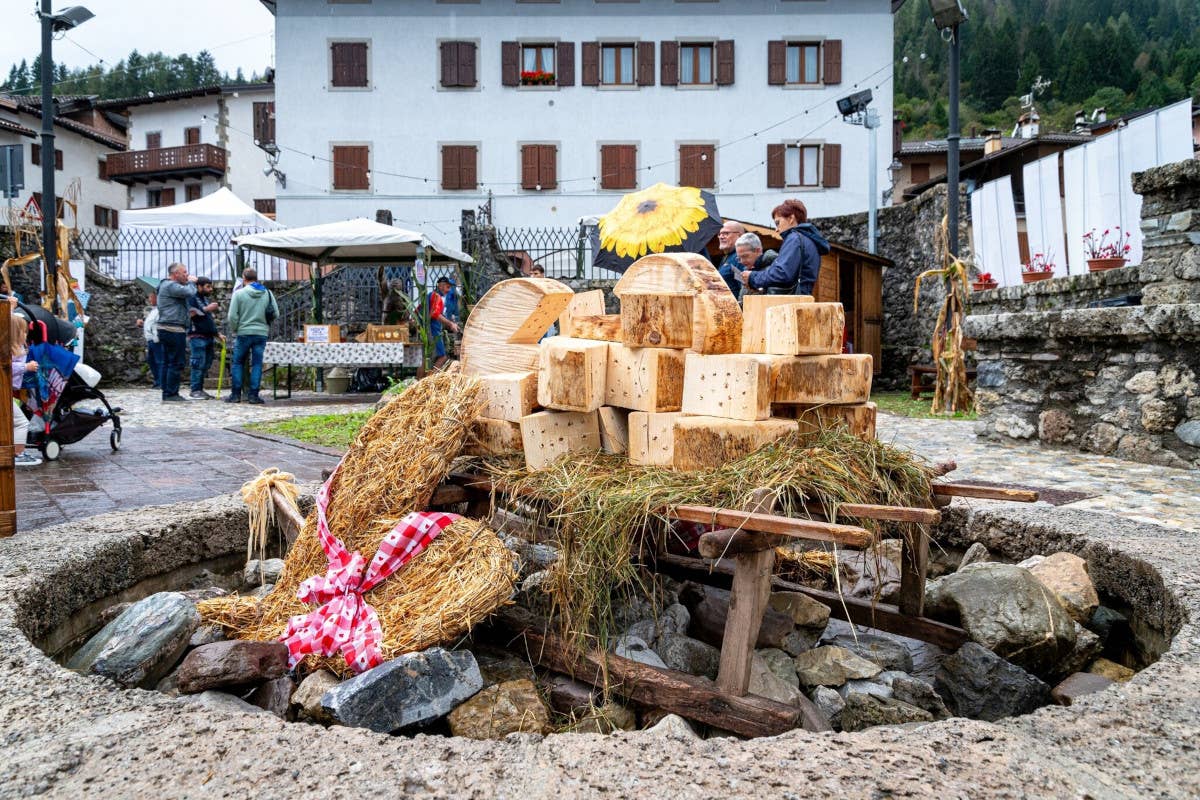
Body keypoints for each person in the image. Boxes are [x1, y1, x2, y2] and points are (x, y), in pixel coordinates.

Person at [738, 200, 830, 296]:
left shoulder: (794, 238)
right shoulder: (809, 240)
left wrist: (752, 277)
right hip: (802, 298)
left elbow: (782, 274)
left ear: (791, 218)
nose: (776, 229)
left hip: (789, 303)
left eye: (778, 223)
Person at [226, 268, 279, 405]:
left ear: (244, 278)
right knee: (257, 364)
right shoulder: (267, 293)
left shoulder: (239, 294)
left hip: (243, 333)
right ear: (256, 277)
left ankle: (236, 394)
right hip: (261, 333)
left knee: (238, 363)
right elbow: (276, 313)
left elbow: (232, 316)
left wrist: (236, 328)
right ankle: (253, 395)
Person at [156, 263, 199, 402]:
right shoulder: (171, 285)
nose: (187, 274)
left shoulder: (167, 286)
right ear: (175, 274)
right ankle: (171, 393)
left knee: (168, 362)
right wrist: (192, 283)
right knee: (176, 362)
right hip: (173, 329)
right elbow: (190, 292)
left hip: (167, 328)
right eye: (184, 272)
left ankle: (166, 391)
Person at [10, 312, 40, 466]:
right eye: (24, 332)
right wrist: (26, 367)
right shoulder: (7, 350)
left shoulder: (14, 348)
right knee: (21, 422)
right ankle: (17, 453)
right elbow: (7, 367)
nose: (26, 335)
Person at [187, 277, 221, 399]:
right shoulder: (191, 298)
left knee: (206, 364)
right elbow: (190, 313)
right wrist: (207, 309)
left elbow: (208, 320)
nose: (210, 289)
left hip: (208, 336)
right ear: (199, 286)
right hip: (197, 336)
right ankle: (195, 389)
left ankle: (200, 389)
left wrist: (217, 334)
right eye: (207, 286)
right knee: (198, 363)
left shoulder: (204, 299)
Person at [428, 276, 460, 370]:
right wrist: (450, 324)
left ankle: (421, 380)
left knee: (426, 359)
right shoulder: (436, 296)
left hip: (429, 331)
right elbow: (436, 314)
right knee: (442, 357)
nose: (448, 290)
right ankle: (430, 381)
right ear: (441, 286)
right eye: (448, 287)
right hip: (433, 331)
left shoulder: (430, 295)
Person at [733, 232, 779, 297]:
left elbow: (773, 300)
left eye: (745, 256)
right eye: (739, 258)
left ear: (758, 251)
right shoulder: (747, 271)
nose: (742, 261)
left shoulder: (773, 269)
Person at [712, 221, 747, 299]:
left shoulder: (739, 257)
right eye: (719, 234)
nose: (721, 237)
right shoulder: (727, 257)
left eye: (726, 233)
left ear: (740, 236)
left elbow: (744, 287)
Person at [135, 293, 162, 388]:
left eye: (151, 297)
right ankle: (158, 382)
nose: (149, 299)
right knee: (152, 361)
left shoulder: (162, 309)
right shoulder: (152, 310)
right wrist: (142, 323)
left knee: (159, 360)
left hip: (157, 338)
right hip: (151, 338)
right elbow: (150, 323)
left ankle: (161, 382)